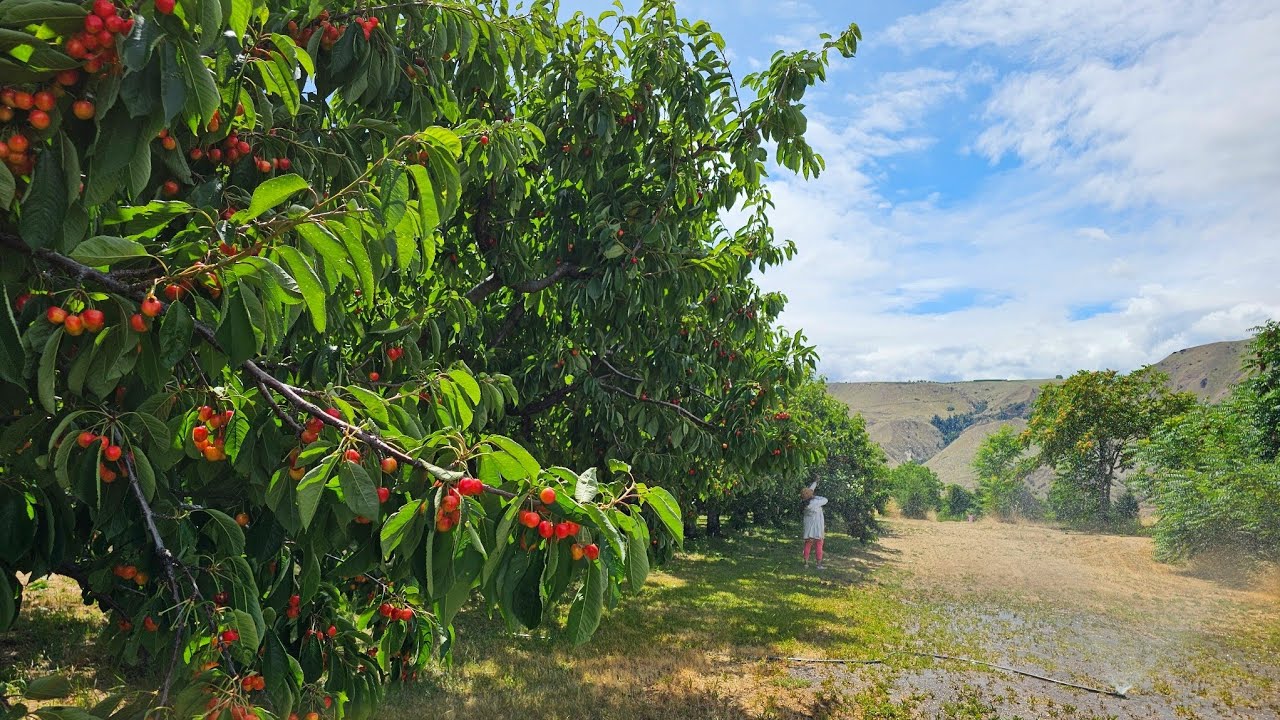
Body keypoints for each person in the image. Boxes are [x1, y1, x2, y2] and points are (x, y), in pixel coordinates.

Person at [800, 481, 827, 569]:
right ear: (810, 495)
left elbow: (810, 490)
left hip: (809, 529)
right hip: (817, 528)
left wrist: (816, 481)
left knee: (807, 544)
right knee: (819, 544)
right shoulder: (815, 502)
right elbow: (825, 499)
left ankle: (806, 563)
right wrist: (815, 496)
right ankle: (819, 564)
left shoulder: (804, 503)